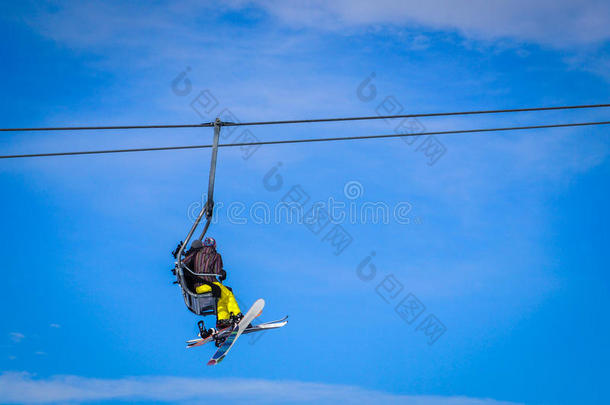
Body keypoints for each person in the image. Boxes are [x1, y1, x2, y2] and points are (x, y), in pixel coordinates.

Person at [182, 237, 243, 335]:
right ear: (214, 245)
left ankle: (223, 320)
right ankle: (237, 315)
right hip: (210, 283)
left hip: (198, 287)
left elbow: (183, 262)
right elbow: (217, 271)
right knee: (228, 293)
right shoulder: (216, 255)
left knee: (220, 297)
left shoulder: (196, 254)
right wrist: (222, 272)